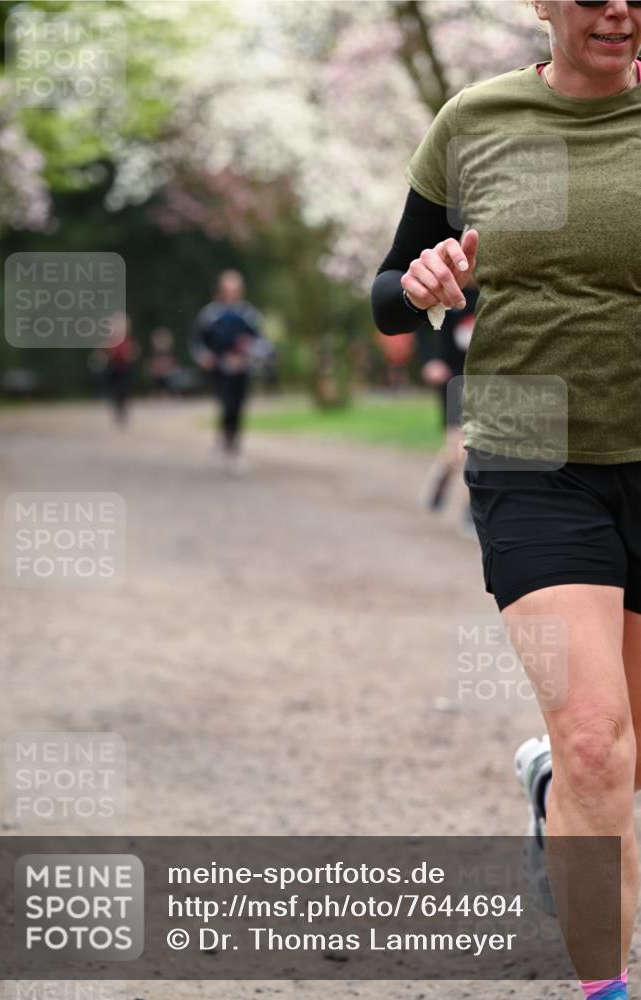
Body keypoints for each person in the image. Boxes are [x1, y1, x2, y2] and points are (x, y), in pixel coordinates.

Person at [371, 3, 640, 996]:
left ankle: (546, 787)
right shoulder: (476, 119)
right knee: (591, 744)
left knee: (614, 763)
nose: (615, 8)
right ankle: (602, 988)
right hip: (535, 460)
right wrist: (425, 279)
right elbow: (387, 290)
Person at [416, 276, 478, 534]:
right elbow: (424, 330)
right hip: (454, 379)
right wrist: (431, 361)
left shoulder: (497, 291)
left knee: (483, 448)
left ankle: (472, 512)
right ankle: (443, 471)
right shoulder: (449, 292)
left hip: (489, 380)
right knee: (459, 447)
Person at [189, 270, 263, 473]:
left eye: (235, 289)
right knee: (226, 405)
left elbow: (260, 342)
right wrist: (204, 357)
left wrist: (248, 353)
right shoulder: (210, 314)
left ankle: (234, 449)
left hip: (242, 369)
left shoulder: (248, 315)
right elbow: (197, 343)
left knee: (238, 408)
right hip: (220, 370)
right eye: (227, 289)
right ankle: (224, 443)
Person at [146, 327, 179, 398]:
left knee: (169, 383)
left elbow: (173, 363)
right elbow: (150, 364)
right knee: (157, 385)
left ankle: (169, 396)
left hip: (167, 374)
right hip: (158, 374)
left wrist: (170, 370)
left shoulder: (169, 353)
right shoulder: (154, 353)